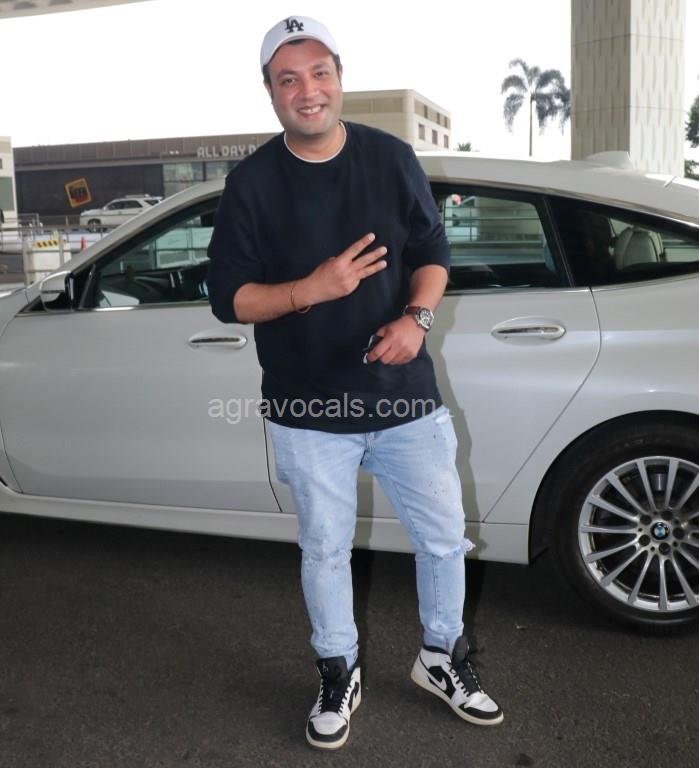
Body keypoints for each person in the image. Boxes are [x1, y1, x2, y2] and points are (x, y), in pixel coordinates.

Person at [206, 15, 503, 750]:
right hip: (307, 409)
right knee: (324, 550)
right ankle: (337, 670)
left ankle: (442, 656)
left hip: (404, 398)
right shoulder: (251, 184)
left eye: (319, 73)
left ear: (339, 78)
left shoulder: (390, 158)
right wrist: (309, 289)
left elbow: (431, 253)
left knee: (443, 540)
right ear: (270, 92)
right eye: (288, 79)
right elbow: (229, 299)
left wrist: (417, 320)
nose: (307, 90)